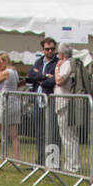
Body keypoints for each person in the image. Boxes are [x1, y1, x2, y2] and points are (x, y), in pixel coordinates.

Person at [26, 37, 58, 165]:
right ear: (42, 50)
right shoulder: (38, 62)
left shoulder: (57, 63)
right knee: (39, 132)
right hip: (38, 102)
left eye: (52, 49)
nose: (50, 51)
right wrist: (44, 76)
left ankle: (52, 161)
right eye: (47, 49)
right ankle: (39, 160)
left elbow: (55, 80)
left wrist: (41, 79)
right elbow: (31, 76)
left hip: (50, 102)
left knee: (52, 132)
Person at [0, 53, 19, 162]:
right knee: (13, 134)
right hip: (14, 103)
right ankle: (17, 160)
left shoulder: (6, 72)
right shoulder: (14, 72)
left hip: (7, 104)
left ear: (5, 61)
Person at [54, 44, 80, 172]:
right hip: (66, 102)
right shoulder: (71, 64)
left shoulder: (66, 64)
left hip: (65, 103)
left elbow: (59, 81)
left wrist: (56, 69)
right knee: (69, 136)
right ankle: (72, 164)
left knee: (68, 136)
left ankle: (72, 165)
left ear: (62, 54)